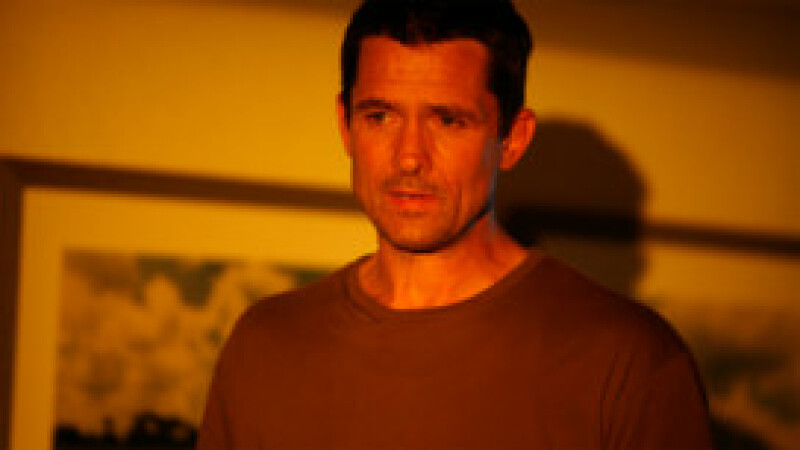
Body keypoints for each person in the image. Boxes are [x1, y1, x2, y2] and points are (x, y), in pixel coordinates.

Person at [197, 1, 714, 448]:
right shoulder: (264, 346)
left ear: (513, 139)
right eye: (380, 117)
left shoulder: (629, 362)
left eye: (448, 121)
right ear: (345, 125)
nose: (409, 157)